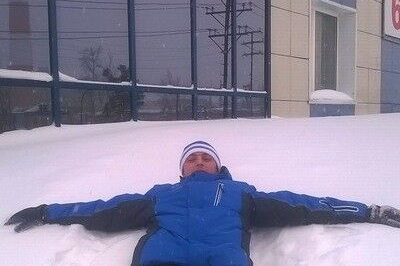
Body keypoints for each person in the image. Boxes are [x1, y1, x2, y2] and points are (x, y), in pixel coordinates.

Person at [5, 140, 400, 266]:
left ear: (216, 165)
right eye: (191, 158)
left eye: (204, 157)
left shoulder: (240, 193)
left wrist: (368, 211)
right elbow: (103, 210)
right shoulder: (162, 195)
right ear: (182, 169)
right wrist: (47, 212)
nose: (198, 162)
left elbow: (304, 205)